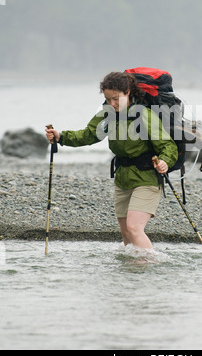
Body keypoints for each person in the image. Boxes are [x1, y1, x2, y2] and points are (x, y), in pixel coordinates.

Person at [45, 72, 178, 250]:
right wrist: (61, 137)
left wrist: (164, 162)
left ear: (128, 92)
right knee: (126, 233)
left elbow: (168, 146)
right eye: (108, 99)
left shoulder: (144, 115)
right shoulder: (107, 114)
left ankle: (152, 266)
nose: (112, 104)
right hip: (122, 178)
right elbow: (88, 135)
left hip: (147, 178)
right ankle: (133, 271)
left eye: (116, 99)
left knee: (134, 228)